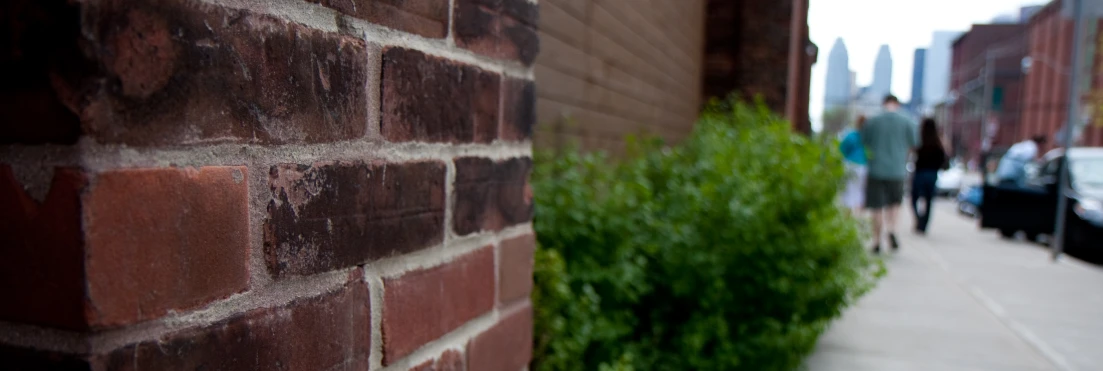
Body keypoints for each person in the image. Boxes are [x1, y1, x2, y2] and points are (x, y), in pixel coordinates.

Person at [860, 95, 918, 253]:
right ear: (897, 104)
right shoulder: (907, 120)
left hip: (876, 169)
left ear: (883, 103)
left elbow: (864, 143)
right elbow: (914, 144)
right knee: (894, 204)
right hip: (897, 170)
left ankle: (877, 240)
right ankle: (891, 229)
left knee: (877, 206)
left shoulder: (873, 121)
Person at [911, 118, 947, 234]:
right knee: (928, 200)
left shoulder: (920, 140)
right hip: (932, 174)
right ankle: (924, 224)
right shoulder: (938, 142)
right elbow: (943, 159)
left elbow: (913, 153)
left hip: (920, 173)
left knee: (914, 198)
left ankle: (918, 219)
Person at [839, 116, 868, 215]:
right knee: (861, 192)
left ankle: (848, 215)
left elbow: (842, 150)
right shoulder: (868, 137)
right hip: (864, 167)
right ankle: (858, 215)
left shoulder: (851, 135)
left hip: (850, 165)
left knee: (848, 192)